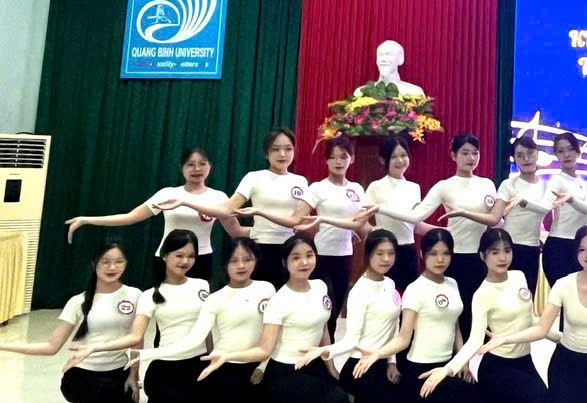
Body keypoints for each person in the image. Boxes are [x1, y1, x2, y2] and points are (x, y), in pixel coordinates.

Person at [475, 225, 587, 403]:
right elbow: (541, 327)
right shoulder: (563, 284)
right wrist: (504, 339)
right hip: (557, 360)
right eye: (582, 249)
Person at [197, 235, 350, 403]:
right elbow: (265, 349)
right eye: (296, 257)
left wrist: (331, 368)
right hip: (286, 370)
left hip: (312, 363)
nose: (304, 262)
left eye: (309, 255)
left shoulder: (320, 286)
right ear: (285, 263)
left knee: (344, 397)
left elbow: (323, 328)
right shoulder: (278, 300)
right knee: (338, 401)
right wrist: (228, 356)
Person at [64, 230, 211, 403]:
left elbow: (206, 328)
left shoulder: (202, 285)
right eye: (179, 255)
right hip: (168, 364)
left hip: (197, 362)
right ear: (165, 255)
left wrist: (211, 358)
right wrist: (96, 348)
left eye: (191, 256)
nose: (185, 261)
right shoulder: (150, 294)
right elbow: (136, 336)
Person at [132, 237, 276, 403]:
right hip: (223, 366)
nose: (241, 265)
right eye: (233, 260)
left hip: (255, 363)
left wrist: (262, 367)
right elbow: (195, 337)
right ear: (225, 264)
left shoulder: (267, 289)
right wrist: (147, 354)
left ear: (256, 260)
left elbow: (273, 338)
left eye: (247, 259)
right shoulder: (214, 299)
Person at [0, 242, 140, 403]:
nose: (112, 267)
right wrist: (3, 345)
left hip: (118, 370)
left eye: (119, 262)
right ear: (94, 263)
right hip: (85, 372)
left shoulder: (134, 295)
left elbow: (137, 340)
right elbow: (51, 346)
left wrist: (134, 375)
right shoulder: (77, 301)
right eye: (105, 261)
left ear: (126, 264)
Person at [352, 228, 488, 403]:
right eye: (433, 253)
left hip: (447, 365)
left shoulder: (452, 283)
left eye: (446, 253)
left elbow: (455, 325)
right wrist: (377, 355)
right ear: (422, 254)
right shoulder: (415, 290)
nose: (440, 259)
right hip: (421, 368)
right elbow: (403, 337)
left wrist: (462, 362)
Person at [364, 132, 497, 333]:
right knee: (450, 314)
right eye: (465, 153)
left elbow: (496, 221)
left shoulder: (487, 184)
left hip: (481, 257)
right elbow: (415, 217)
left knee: (481, 313)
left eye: (475, 153)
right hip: (452, 257)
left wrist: (454, 226)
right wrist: (379, 211)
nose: (471, 158)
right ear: (453, 155)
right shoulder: (444, 186)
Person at [239, 136, 371, 338]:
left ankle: (326, 351)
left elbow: (361, 224)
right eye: (333, 157)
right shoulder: (317, 188)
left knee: (335, 308)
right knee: (318, 308)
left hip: (345, 255)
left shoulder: (357, 189)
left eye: (343, 157)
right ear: (326, 160)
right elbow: (296, 220)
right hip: (320, 255)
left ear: (351, 159)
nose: (338, 162)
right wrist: (260, 212)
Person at [65, 146, 247, 281]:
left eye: (202, 164)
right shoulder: (167, 194)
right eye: (190, 164)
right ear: (182, 168)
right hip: (167, 258)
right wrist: (86, 219)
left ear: (210, 166)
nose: (197, 169)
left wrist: (263, 224)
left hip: (201, 259)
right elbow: (130, 217)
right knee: (163, 305)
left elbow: (236, 231)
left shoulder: (219, 197)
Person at [159, 128, 308, 288]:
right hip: (260, 246)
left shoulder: (300, 181)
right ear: (266, 153)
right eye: (276, 149)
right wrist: (185, 202)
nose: (282, 154)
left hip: (291, 248)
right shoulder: (254, 178)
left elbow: (297, 221)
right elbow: (225, 210)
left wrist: (259, 212)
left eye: (288, 149)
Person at [432, 228, 550, 403]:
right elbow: (475, 341)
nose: (503, 257)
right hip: (498, 366)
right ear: (482, 256)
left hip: (525, 360)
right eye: (495, 252)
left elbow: (531, 320)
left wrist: (561, 336)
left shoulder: (519, 276)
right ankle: (492, 401)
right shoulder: (482, 294)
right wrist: (448, 369)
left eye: (507, 250)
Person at [305, 229, 404, 403]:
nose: (386, 259)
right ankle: (349, 400)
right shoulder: (360, 291)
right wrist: (325, 351)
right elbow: (351, 340)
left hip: (382, 362)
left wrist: (392, 362)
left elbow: (395, 326)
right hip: (361, 365)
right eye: (380, 253)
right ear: (368, 254)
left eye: (391, 253)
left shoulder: (390, 283)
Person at [365, 135, 430, 292]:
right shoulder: (375, 187)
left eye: (403, 155)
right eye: (394, 156)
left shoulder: (414, 188)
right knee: (384, 296)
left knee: (410, 297)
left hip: (409, 251)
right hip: (384, 251)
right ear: (383, 159)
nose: (400, 161)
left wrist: (446, 231)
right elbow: (361, 219)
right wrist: (374, 232)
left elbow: (415, 224)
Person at [489, 135, 552, 289]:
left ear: (537, 155)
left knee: (527, 294)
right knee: (505, 293)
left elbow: (547, 216)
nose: (526, 159)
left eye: (530, 153)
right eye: (520, 155)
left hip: (532, 248)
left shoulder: (546, 186)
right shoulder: (508, 184)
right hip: (508, 247)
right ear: (514, 159)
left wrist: (524, 202)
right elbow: (495, 217)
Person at [542, 133, 587, 285]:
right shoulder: (556, 180)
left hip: (581, 247)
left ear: (578, 152)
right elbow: (545, 207)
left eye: (570, 149)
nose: (566, 155)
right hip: (557, 246)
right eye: (561, 151)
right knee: (560, 295)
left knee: (579, 295)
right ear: (556, 155)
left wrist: (571, 199)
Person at [354, 39, 426, 97]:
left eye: (388, 54)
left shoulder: (414, 92)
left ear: (401, 59)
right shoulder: (360, 92)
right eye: (380, 55)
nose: (383, 59)